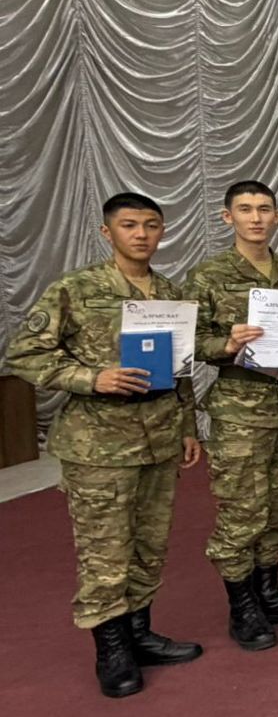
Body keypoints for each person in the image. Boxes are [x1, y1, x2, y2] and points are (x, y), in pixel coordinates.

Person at [6, 192, 203, 699]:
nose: (141, 234)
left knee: (149, 546)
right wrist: (92, 377)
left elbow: (179, 369)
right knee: (105, 553)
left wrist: (187, 427)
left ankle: (140, 632)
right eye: (130, 225)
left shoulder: (170, 292)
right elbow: (24, 353)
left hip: (158, 440)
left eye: (152, 225)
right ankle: (111, 649)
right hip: (98, 447)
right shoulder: (77, 288)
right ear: (106, 232)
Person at [185, 181, 278, 652]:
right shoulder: (209, 275)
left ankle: (269, 591)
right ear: (228, 218)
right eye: (245, 210)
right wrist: (224, 345)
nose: (256, 218)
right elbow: (189, 341)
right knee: (242, 513)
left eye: (264, 209)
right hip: (240, 413)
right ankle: (242, 606)